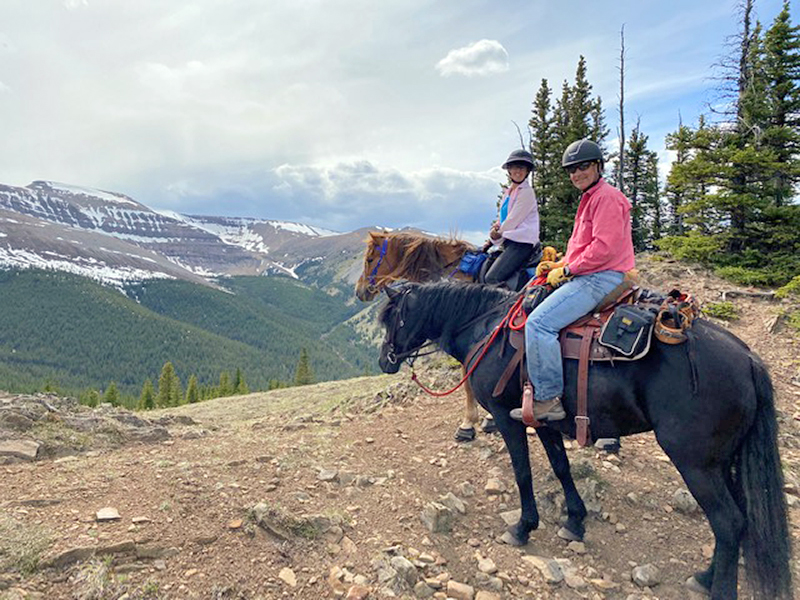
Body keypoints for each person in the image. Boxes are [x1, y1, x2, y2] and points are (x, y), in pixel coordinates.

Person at [521, 139, 635, 421]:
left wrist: (569, 271)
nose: (576, 174)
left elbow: (603, 248)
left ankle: (548, 399)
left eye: (582, 167)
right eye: (571, 170)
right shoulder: (591, 197)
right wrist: (557, 264)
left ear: (598, 166)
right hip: (591, 271)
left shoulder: (606, 197)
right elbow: (582, 246)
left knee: (539, 323)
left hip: (600, 277)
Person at [481, 149, 540, 286]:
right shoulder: (508, 192)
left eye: (522, 168)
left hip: (522, 244)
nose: (518, 171)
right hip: (509, 242)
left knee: (492, 278)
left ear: (527, 171)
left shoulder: (526, 193)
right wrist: (493, 235)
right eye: (514, 167)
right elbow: (502, 219)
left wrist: (495, 235)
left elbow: (513, 220)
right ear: (509, 170)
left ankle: (508, 306)